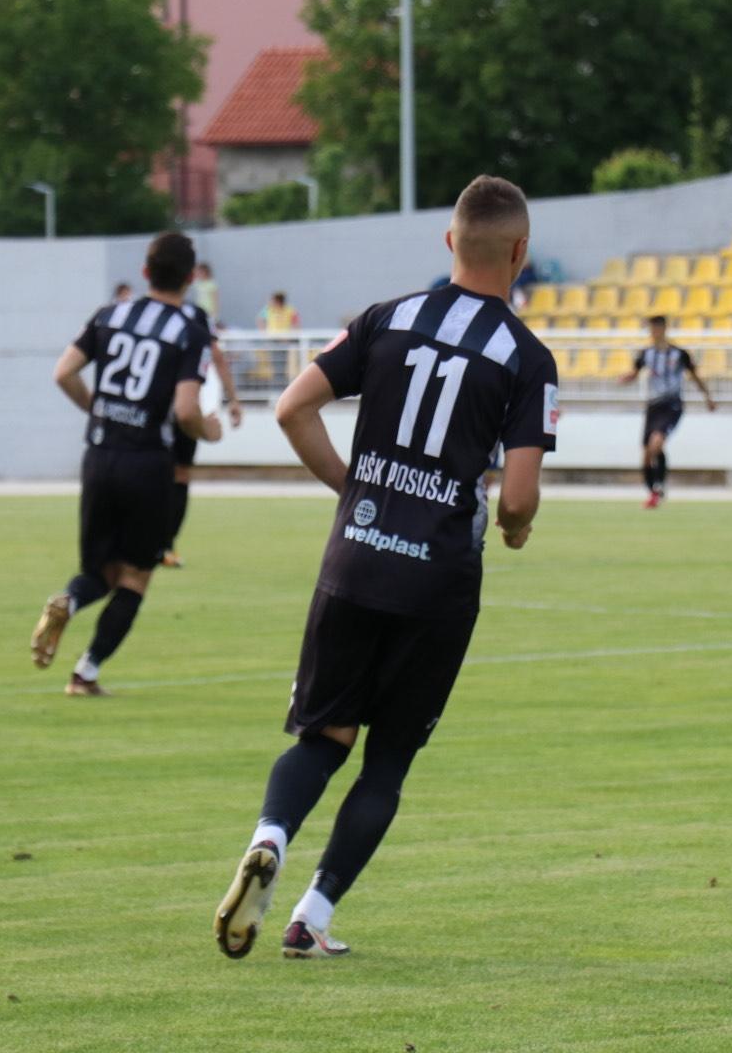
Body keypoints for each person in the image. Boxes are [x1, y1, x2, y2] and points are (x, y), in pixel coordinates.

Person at [213, 175, 559, 960]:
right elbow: (520, 497)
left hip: (356, 560)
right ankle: (311, 917)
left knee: (322, 737)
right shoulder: (526, 358)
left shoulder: (388, 318)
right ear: (520, 254)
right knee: (388, 761)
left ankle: (270, 835)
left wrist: (352, 484)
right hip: (437, 584)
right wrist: (513, 531)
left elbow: (291, 408)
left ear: (449, 243)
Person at [31, 233, 224, 696]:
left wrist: (99, 410)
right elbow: (184, 412)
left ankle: (70, 601)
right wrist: (209, 430)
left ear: (144, 272)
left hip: (99, 457)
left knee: (100, 572)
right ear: (191, 277)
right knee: (135, 576)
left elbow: (63, 372)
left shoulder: (109, 315)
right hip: (147, 465)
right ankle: (87, 672)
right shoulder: (190, 332)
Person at [159, 298, 244, 571]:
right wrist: (233, 399)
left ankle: (154, 544)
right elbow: (216, 355)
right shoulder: (196, 313)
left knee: (158, 471)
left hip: (153, 406)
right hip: (185, 404)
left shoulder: (147, 309)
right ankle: (165, 546)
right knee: (179, 473)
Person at [618, 314, 717, 508]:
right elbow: (635, 372)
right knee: (647, 453)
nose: (654, 332)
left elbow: (694, 376)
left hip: (672, 404)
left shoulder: (679, 354)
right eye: (651, 329)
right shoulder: (646, 354)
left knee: (656, 443)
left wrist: (708, 397)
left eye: (656, 328)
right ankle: (654, 492)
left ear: (663, 329)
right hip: (653, 405)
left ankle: (659, 487)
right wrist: (625, 378)